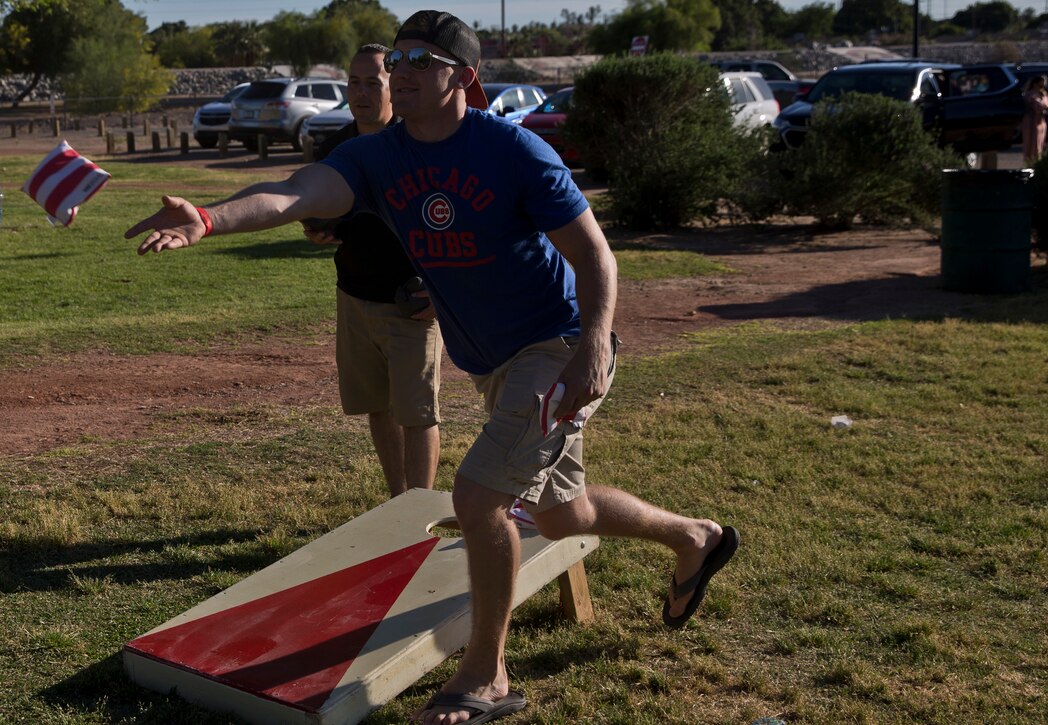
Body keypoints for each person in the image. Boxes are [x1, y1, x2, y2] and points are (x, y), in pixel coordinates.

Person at [126, 11, 740, 725]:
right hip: (493, 364)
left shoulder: (513, 151)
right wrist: (209, 215)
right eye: (398, 59)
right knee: (558, 511)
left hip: (557, 346)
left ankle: (487, 676)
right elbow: (299, 192)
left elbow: (595, 254)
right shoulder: (379, 157)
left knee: (479, 498)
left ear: (464, 78)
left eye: (422, 59)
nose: (402, 71)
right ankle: (696, 536)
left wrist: (596, 342)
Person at [304, 43, 442, 498]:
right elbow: (326, 215)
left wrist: (440, 292)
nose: (361, 93)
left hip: (412, 304)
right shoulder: (335, 148)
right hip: (355, 297)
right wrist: (319, 230)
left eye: (373, 82)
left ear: (392, 87)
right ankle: (398, 504)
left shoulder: (417, 146)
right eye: (354, 82)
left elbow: (450, 224)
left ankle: (417, 518)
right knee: (378, 409)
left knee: (418, 414)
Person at [1022, 75, 1048, 166]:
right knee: (1030, 144)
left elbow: (1047, 105)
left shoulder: (1043, 94)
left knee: (1039, 144)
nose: (1042, 87)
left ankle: (1037, 163)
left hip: (1040, 122)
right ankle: (1029, 164)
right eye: (1040, 84)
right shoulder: (1030, 94)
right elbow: (1038, 106)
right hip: (1030, 122)